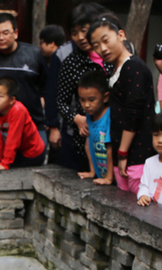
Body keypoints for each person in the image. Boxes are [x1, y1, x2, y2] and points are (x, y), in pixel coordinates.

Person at [88, 15, 155, 195]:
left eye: (105, 40)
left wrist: (123, 153)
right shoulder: (116, 69)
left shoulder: (133, 67)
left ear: (121, 35)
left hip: (137, 155)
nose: (102, 49)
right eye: (96, 46)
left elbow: (134, 114)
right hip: (124, 156)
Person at [55, 2, 108, 172]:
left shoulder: (110, 57)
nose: (80, 37)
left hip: (113, 135)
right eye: (74, 33)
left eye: (84, 30)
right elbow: (61, 102)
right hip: (84, 139)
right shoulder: (71, 62)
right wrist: (77, 119)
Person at [0, 13, 48, 145]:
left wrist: (42, 104)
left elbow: (47, 85)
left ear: (15, 33)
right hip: (1, 128)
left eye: (5, 33)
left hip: (33, 125)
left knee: (36, 161)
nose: (1, 38)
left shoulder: (33, 53)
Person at [0, 77, 45, 171]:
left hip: (32, 153)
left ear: (12, 100)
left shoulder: (18, 110)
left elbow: (13, 139)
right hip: (18, 151)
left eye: (0, 96)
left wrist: (4, 163)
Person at [76, 70, 113, 185]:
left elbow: (110, 148)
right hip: (100, 175)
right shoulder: (89, 117)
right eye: (82, 100)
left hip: (113, 178)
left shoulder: (109, 116)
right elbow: (89, 145)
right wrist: (92, 172)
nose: (86, 105)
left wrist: (109, 178)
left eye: (91, 100)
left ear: (105, 97)